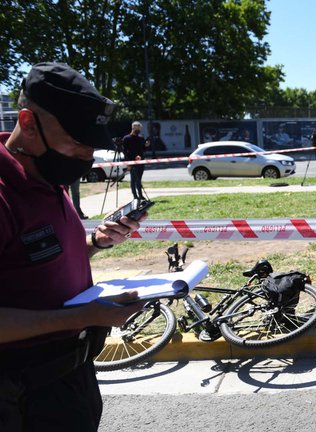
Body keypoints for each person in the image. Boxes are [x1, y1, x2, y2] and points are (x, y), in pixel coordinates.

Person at [0, 62, 147, 431]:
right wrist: (84, 317)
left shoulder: (49, 176)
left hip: (71, 379)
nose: (87, 156)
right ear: (28, 122)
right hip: (19, 397)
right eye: (78, 142)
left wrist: (96, 242)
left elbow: (37, 260)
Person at [122, 121, 149, 201]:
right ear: (133, 128)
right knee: (133, 180)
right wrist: (128, 163)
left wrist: (146, 145)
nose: (138, 131)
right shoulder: (126, 138)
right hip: (132, 162)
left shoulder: (141, 138)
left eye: (139, 129)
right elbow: (125, 152)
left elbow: (143, 149)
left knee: (139, 180)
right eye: (137, 129)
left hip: (141, 161)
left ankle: (140, 195)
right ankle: (135, 196)